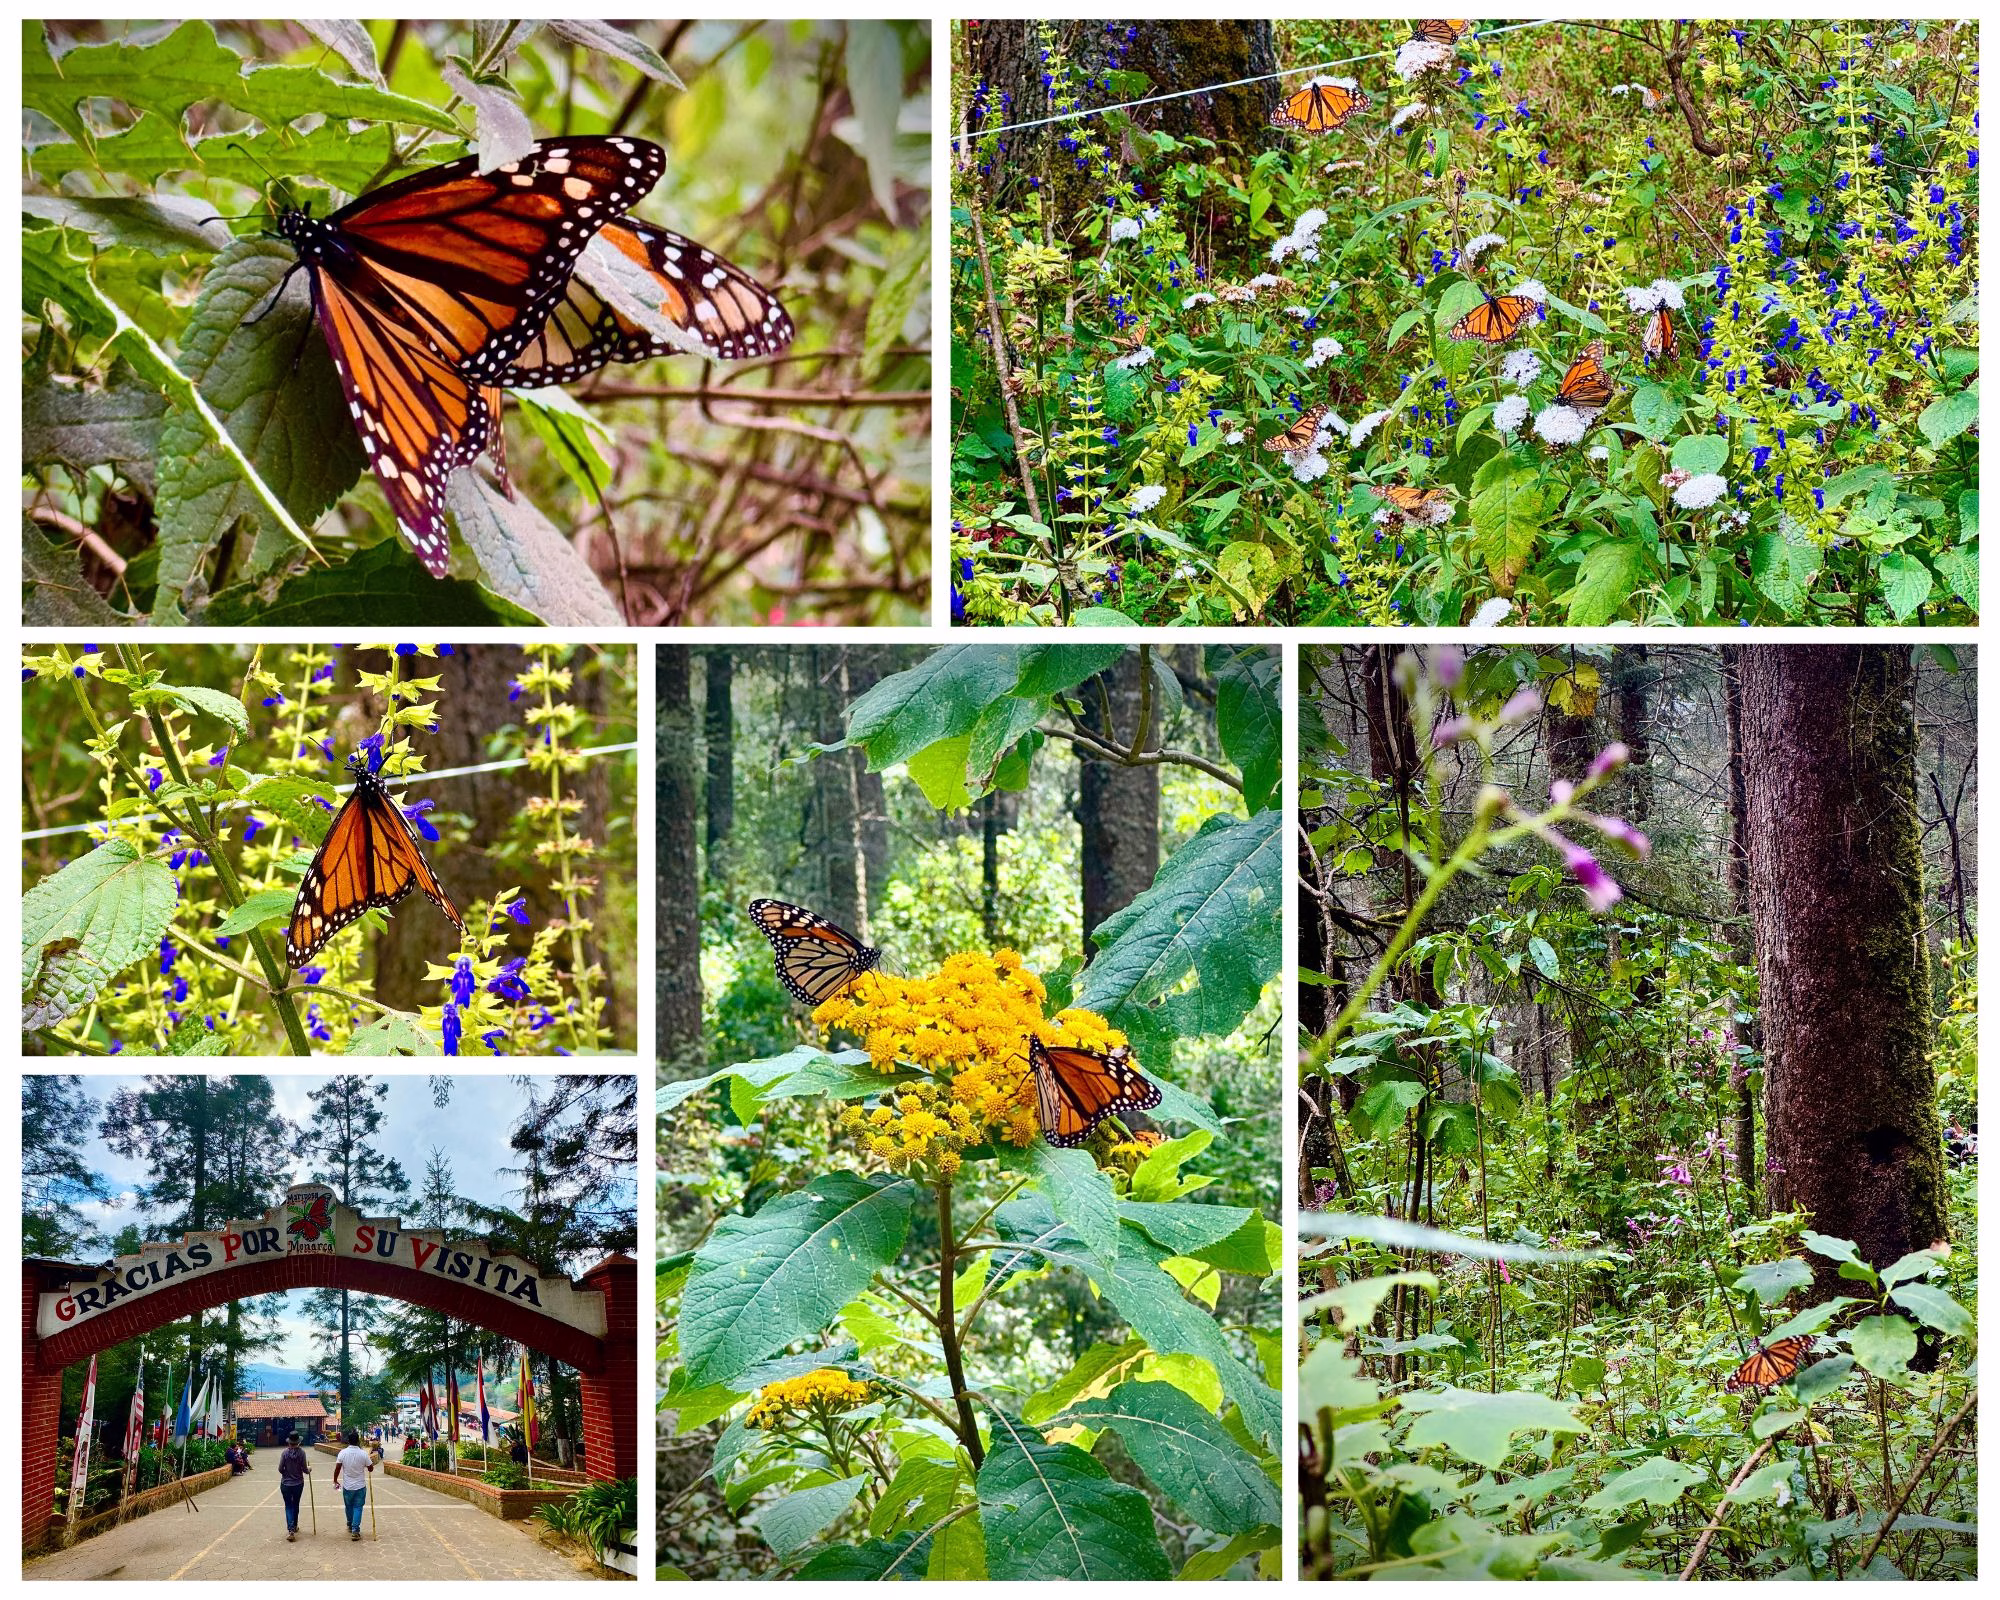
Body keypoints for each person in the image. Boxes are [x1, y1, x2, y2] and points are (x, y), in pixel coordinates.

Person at [333, 1428, 373, 1541]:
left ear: (348, 1441)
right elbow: (371, 1468)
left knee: (349, 1506)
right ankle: (355, 1530)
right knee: (358, 1507)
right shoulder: (363, 1454)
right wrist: (367, 1466)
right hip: (360, 1486)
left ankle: (350, 1524)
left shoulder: (343, 1453)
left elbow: (337, 1468)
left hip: (347, 1486)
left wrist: (335, 1480)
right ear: (358, 1441)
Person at [278, 1433, 309, 1542]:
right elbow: (305, 1469)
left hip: (286, 1484)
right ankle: (295, 1526)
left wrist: (286, 1472)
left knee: (288, 1506)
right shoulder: (302, 1453)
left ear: (289, 1442)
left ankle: (291, 1529)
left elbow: (280, 1469)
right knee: (296, 1504)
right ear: (298, 1442)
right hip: (298, 1484)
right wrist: (309, 1470)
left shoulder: (284, 1453)